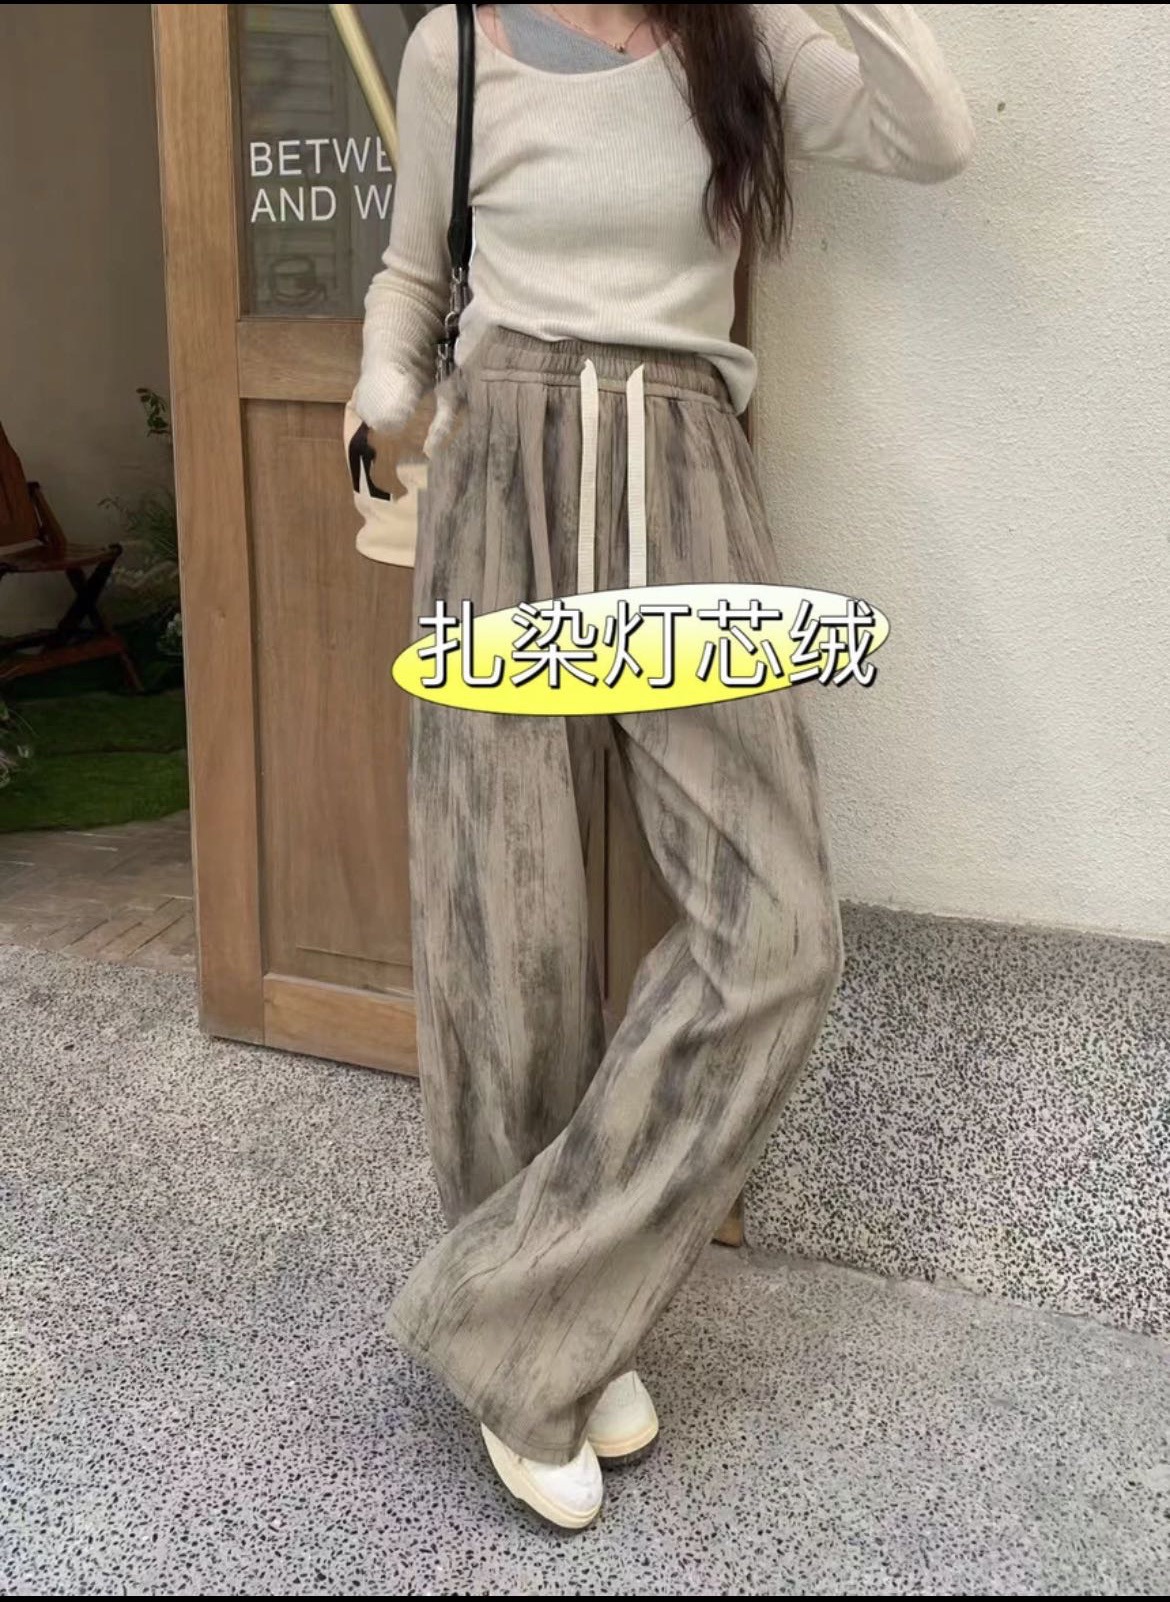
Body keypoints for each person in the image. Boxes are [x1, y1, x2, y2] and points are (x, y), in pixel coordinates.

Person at [355, 3, 973, 1530]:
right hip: (496, 464)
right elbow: (414, 273)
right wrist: (382, 393)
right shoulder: (453, 46)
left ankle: (517, 1314)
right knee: (504, 929)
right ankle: (552, 1340)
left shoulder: (735, 38)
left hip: (682, 461)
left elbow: (931, 135)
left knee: (775, 931)